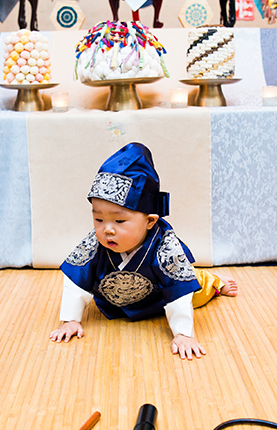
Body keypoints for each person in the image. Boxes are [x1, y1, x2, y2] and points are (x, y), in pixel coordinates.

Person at [49, 142, 237, 360]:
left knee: (194, 286)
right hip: (115, 301)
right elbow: (77, 279)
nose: (107, 229)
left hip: (160, 297)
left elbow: (178, 291)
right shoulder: (95, 243)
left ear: (150, 221)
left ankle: (215, 282)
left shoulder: (165, 247)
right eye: (98, 219)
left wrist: (183, 334)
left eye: (119, 220)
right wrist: (70, 320)